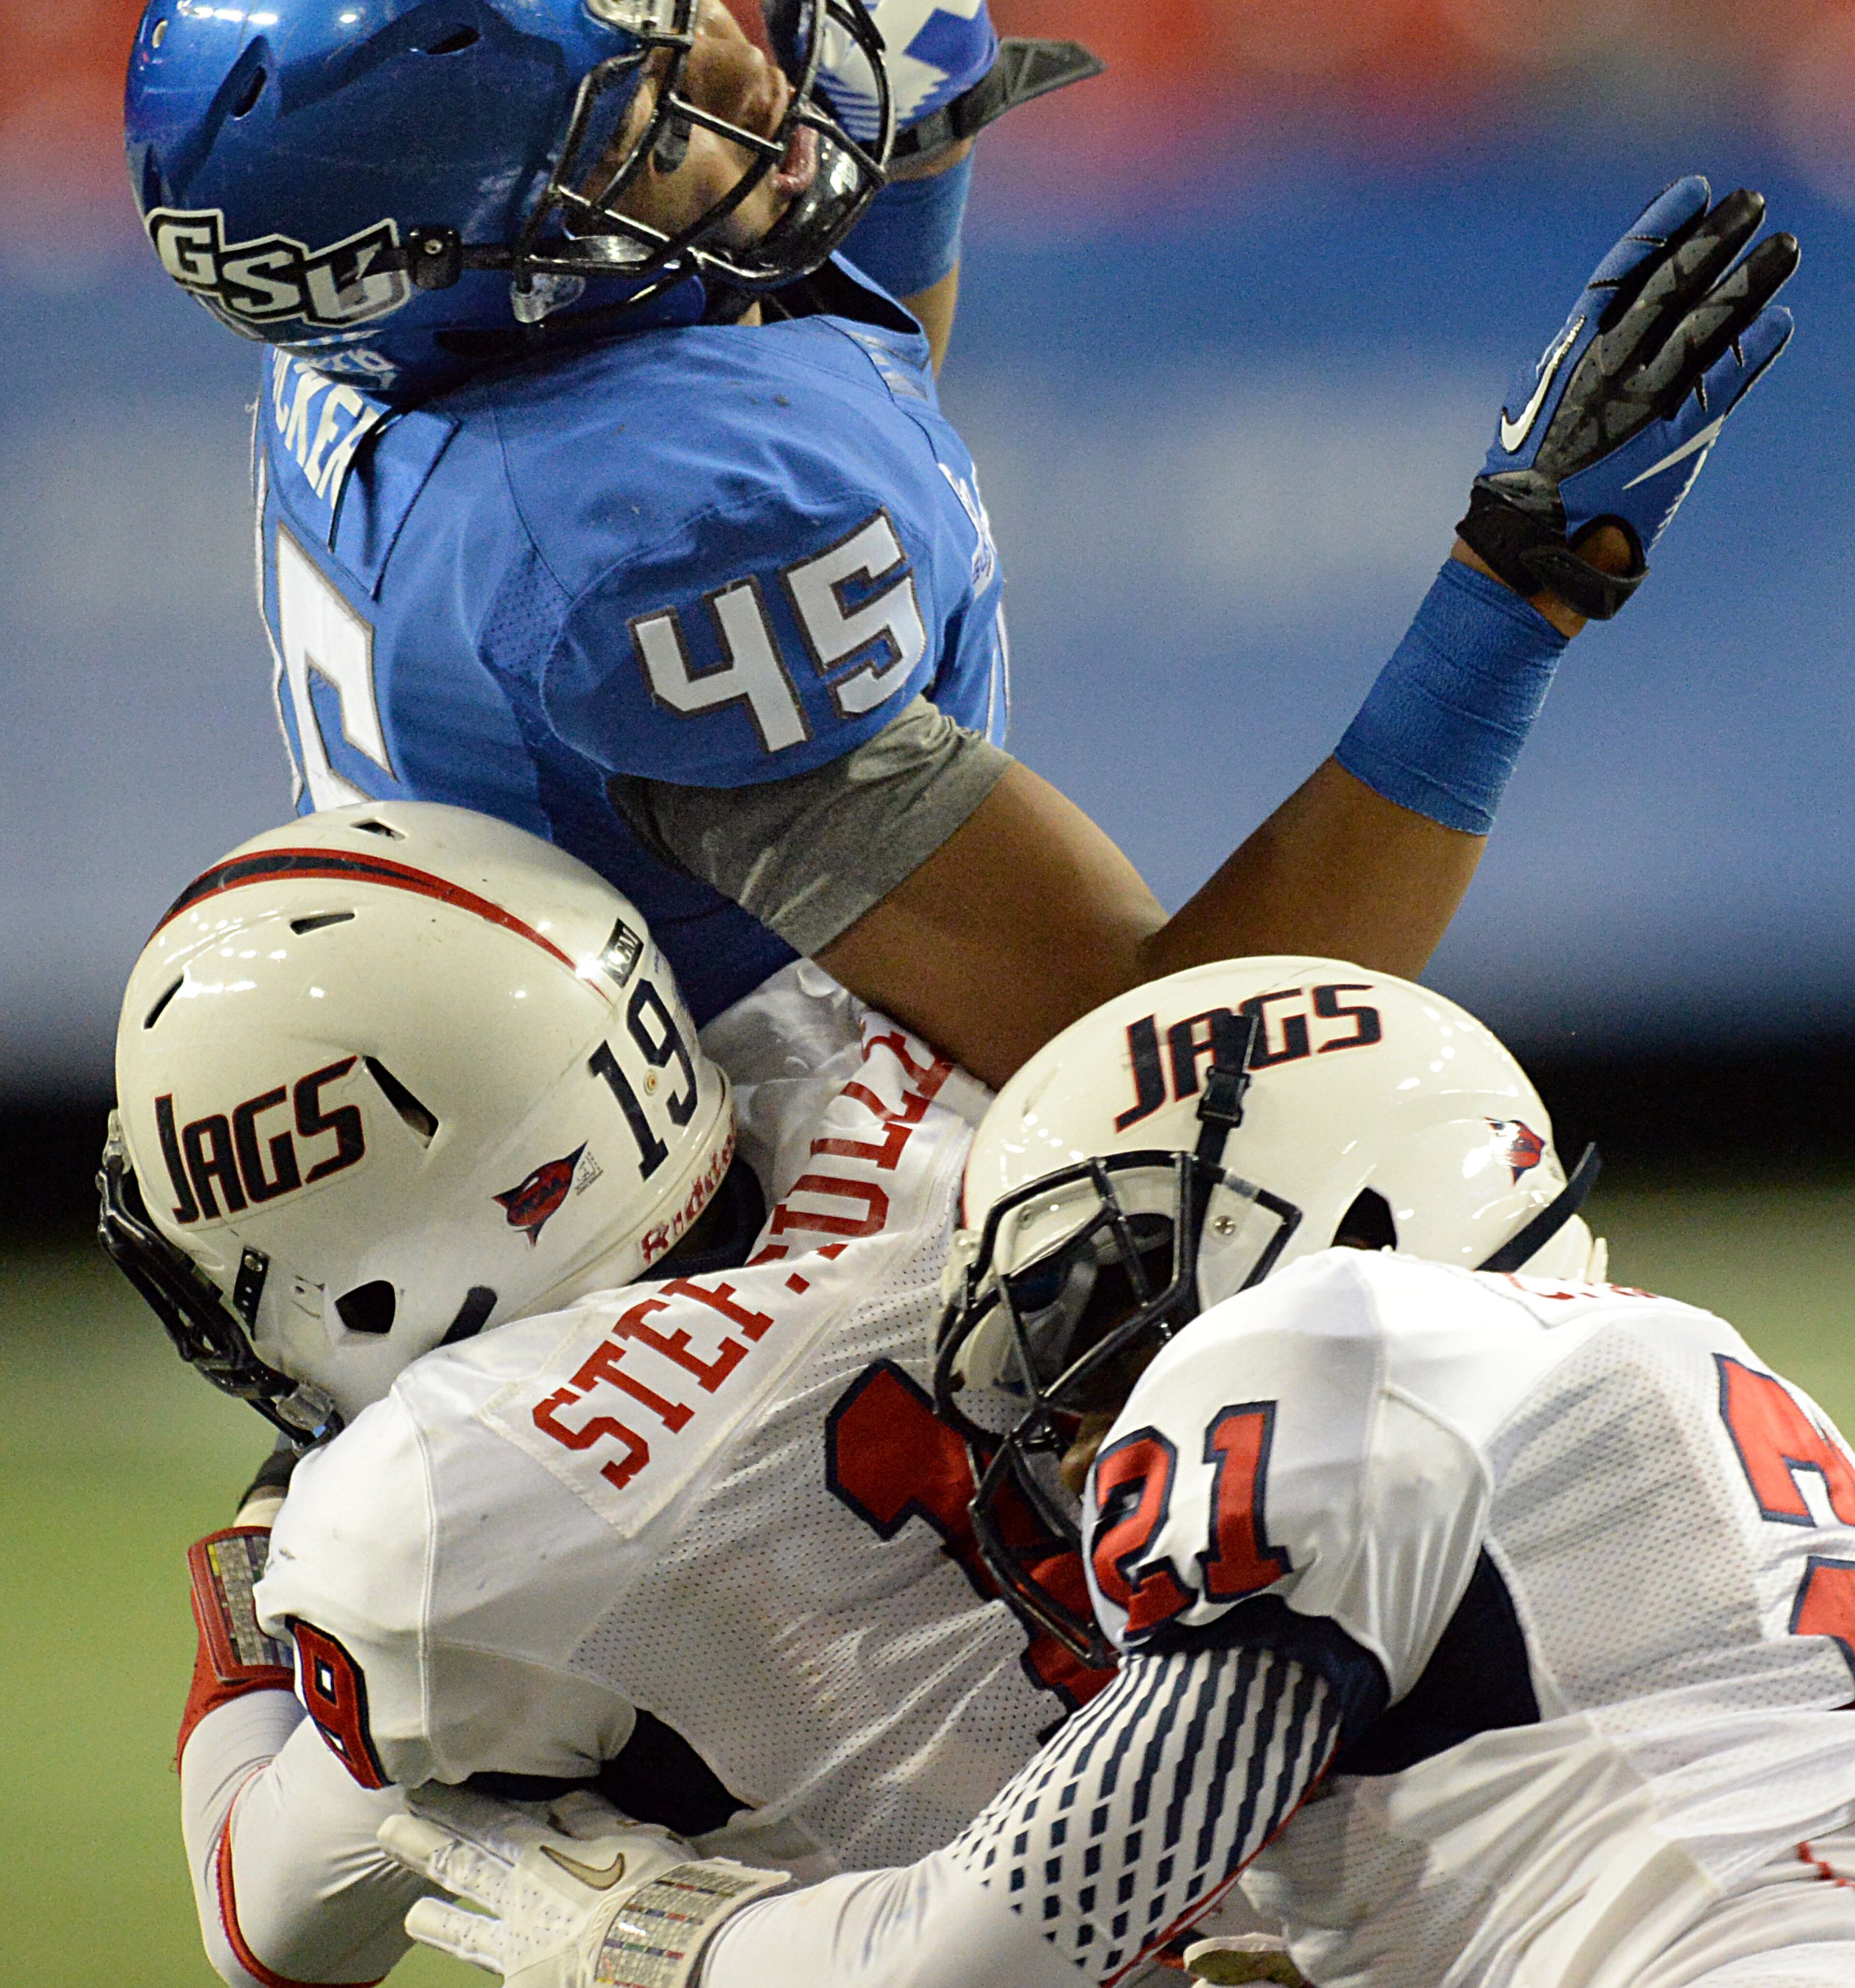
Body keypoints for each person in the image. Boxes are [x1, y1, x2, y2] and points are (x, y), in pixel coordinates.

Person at [123, 0, 1800, 1087]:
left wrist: (892, 154)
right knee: (1403, 1180)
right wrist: (1518, 592)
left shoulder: (408, 335)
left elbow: (795, 384)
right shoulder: (643, 538)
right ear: (516, 265)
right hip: (773, 1288)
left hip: (603, 1111)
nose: (736, 52)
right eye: (645, 123)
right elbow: (1173, 1050)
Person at [104, 803, 1594, 1987]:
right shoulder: (919, 1068)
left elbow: (267, 1922)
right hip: (1497, 1863)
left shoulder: (466, 1494)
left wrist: (283, 1489)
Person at [387, 961, 1855, 1988]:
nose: (1063, 1413)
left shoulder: (1336, 1336)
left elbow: (964, 1964)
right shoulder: (1699, 1381)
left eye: (1097, 1295)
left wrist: (656, 1939)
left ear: (1339, 1205)